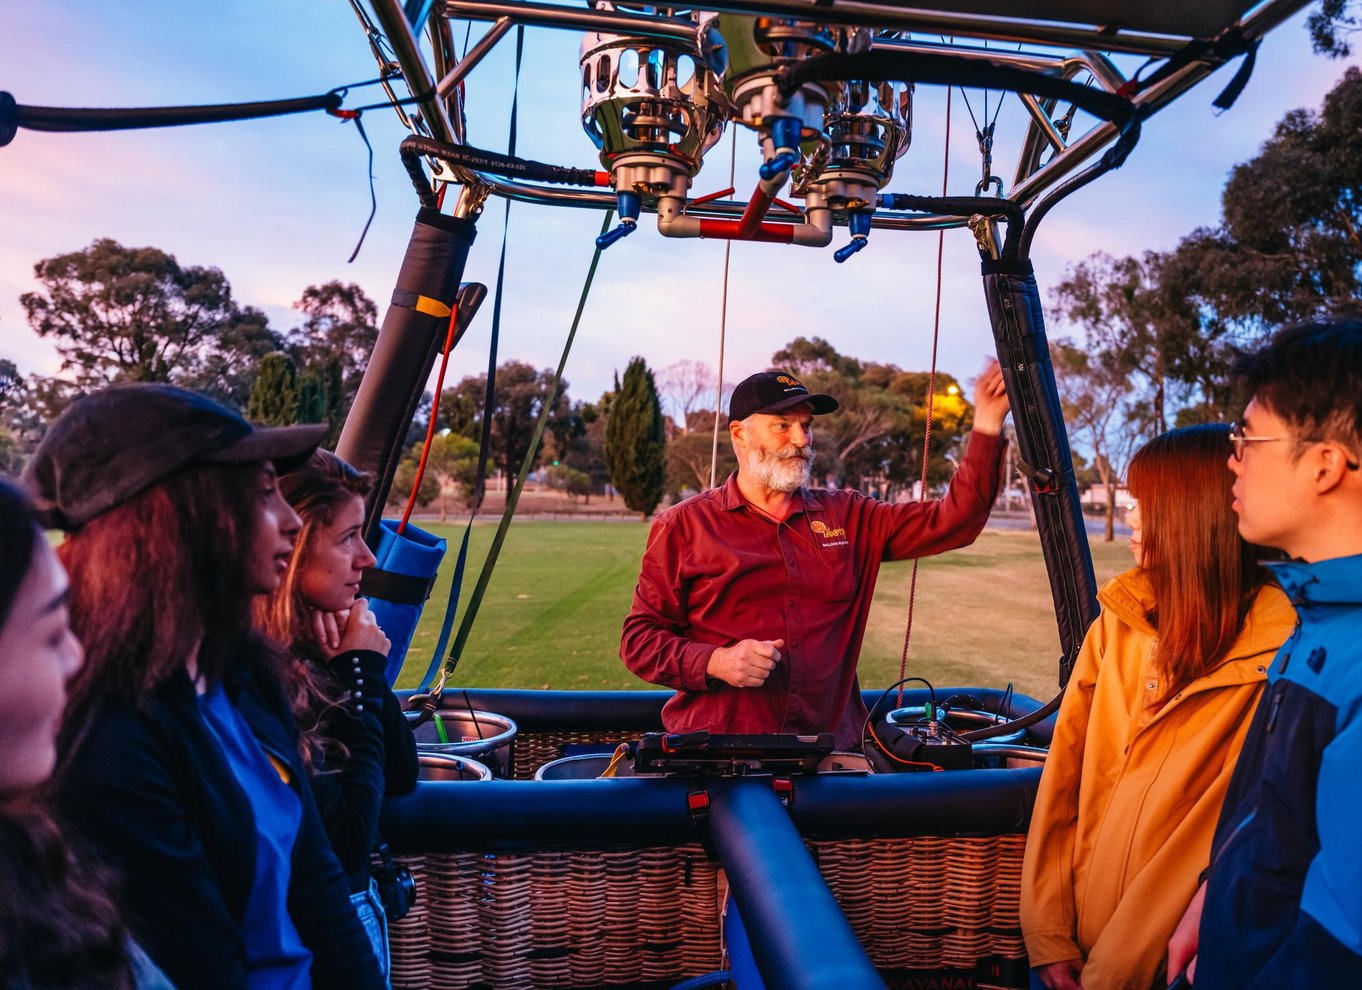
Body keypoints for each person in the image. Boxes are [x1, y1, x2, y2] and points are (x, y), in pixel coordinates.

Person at [23, 384, 384, 990]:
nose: (292, 520)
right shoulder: (111, 737)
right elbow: (201, 961)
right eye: (264, 493)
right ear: (184, 514)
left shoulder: (244, 670)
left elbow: (318, 885)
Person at [1019, 425, 1293, 990]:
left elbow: (1212, 845)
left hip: (1164, 971)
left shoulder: (1281, 662)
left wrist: (1114, 973)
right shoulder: (1115, 627)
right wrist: (1046, 931)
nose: (1134, 520)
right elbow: (1063, 777)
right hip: (1070, 952)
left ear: (1200, 513)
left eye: (1149, 503)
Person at [620, 363, 1010, 749]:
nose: (802, 439)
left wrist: (988, 423)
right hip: (718, 755)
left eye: (806, 425)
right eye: (783, 425)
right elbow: (639, 640)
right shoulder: (684, 526)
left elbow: (954, 521)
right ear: (739, 434)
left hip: (829, 755)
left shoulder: (850, 516)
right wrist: (715, 661)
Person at [1166, 319, 1362, 987]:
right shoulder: (1316, 622)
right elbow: (1276, 827)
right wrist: (1211, 894)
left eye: (1246, 439)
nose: (1232, 459)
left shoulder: (1351, 659)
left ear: (1325, 465)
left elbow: (1338, 953)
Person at [256, 450, 418, 981]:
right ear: (295, 549)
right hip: (319, 939)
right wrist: (363, 674)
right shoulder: (266, 672)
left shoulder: (321, 648)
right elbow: (347, 842)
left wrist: (363, 668)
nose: (369, 558)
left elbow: (402, 769)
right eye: (349, 537)